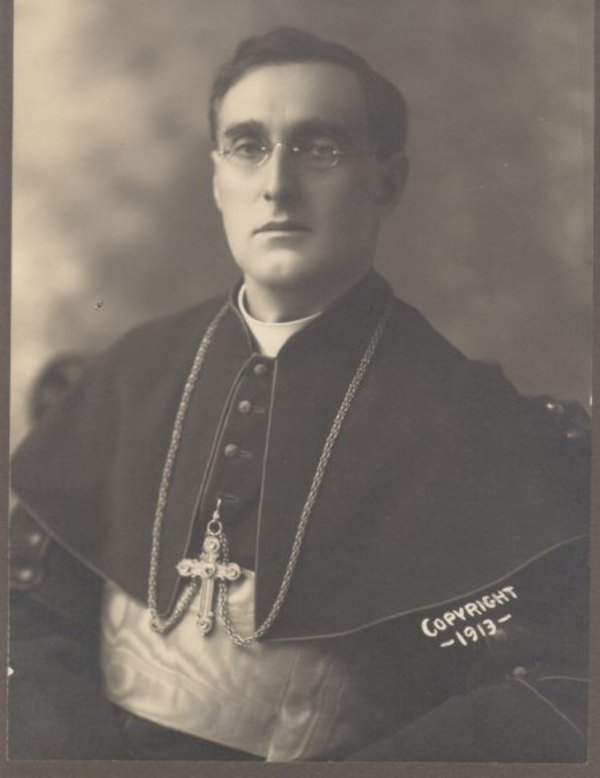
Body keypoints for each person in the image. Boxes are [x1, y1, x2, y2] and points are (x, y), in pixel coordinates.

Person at [9, 27, 589, 762]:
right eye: (248, 146)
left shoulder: (471, 419)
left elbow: (547, 689)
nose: (277, 184)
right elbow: (24, 621)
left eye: (319, 148)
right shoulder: (131, 372)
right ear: (217, 177)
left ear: (387, 180)